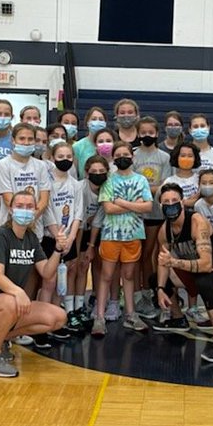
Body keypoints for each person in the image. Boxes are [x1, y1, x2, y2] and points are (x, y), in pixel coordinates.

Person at [0, 191, 68, 377]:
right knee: (12, 302)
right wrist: (19, 292)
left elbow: (47, 273)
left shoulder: (31, 238)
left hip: (10, 304)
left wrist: (58, 250)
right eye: (20, 206)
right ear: (10, 209)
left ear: (35, 211)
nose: (24, 210)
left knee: (58, 317)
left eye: (29, 207)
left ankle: (0, 339)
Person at [154, 183, 213, 363]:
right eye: (166, 202)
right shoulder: (164, 231)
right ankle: (178, 318)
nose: (171, 205)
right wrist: (160, 288)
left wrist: (175, 262)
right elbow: (163, 261)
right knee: (158, 279)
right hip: (198, 269)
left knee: (204, 282)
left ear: (183, 203)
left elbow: (207, 265)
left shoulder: (196, 222)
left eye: (175, 201)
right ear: (161, 206)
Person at [93, 141, 152, 336]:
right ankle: (99, 317)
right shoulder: (108, 180)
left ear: (132, 156)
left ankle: (130, 314)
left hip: (133, 235)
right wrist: (134, 205)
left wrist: (120, 202)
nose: (122, 158)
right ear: (113, 158)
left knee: (128, 275)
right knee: (107, 276)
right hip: (111, 234)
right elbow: (108, 209)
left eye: (125, 154)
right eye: (117, 155)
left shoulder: (142, 180)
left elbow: (148, 207)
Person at [39, 141, 85, 334]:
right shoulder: (47, 184)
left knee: (62, 283)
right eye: (60, 157)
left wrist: (71, 238)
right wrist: (59, 237)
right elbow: (47, 212)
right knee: (48, 281)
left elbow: (77, 214)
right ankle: (42, 323)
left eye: (68, 157)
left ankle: (56, 321)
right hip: (51, 239)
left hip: (69, 240)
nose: (65, 160)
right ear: (52, 158)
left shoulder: (75, 185)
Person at [132, 117, 170, 322]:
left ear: (157, 133)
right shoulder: (134, 156)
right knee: (137, 256)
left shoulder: (164, 157)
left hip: (156, 213)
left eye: (151, 132)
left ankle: (152, 291)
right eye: (143, 132)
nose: (147, 135)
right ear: (138, 134)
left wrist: (142, 189)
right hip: (136, 214)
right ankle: (139, 294)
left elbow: (164, 186)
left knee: (153, 255)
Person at [65, 155, 108, 330]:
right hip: (76, 231)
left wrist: (90, 248)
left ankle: (79, 306)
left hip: (93, 232)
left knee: (84, 268)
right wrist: (75, 251)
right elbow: (80, 221)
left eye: (102, 171)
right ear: (87, 172)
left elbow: (97, 220)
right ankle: (69, 310)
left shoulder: (107, 189)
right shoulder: (81, 188)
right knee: (73, 268)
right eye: (94, 171)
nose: (98, 174)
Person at [0, 123, 52, 236]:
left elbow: (44, 200)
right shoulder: (4, 165)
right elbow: (7, 199)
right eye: (21, 138)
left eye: (30, 139)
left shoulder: (41, 166)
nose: (26, 142)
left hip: (34, 228)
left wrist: (31, 218)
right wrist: (21, 220)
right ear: (13, 140)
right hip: (10, 226)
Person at [188, 114, 213, 182]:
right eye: (195, 126)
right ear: (190, 130)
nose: (199, 129)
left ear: (208, 128)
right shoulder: (183, 154)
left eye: (202, 126)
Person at [72, 106, 109, 178]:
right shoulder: (77, 146)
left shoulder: (111, 145)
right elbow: (74, 174)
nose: (97, 122)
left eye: (101, 119)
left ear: (105, 123)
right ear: (87, 122)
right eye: (94, 119)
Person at [163, 142, 202, 207]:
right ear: (176, 157)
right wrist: (187, 202)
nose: (186, 158)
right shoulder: (169, 182)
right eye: (183, 156)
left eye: (190, 156)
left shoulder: (200, 179)